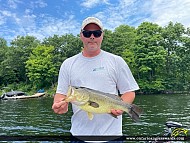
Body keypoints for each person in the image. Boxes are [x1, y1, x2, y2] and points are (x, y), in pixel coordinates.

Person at [52, 17, 139, 142]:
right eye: (87, 33)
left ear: (102, 35)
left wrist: (121, 107)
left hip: (112, 137)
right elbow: (60, 95)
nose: (92, 37)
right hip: (78, 137)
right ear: (81, 35)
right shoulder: (68, 64)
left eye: (96, 33)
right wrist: (61, 105)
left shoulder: (116, 61)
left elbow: (129, 91)